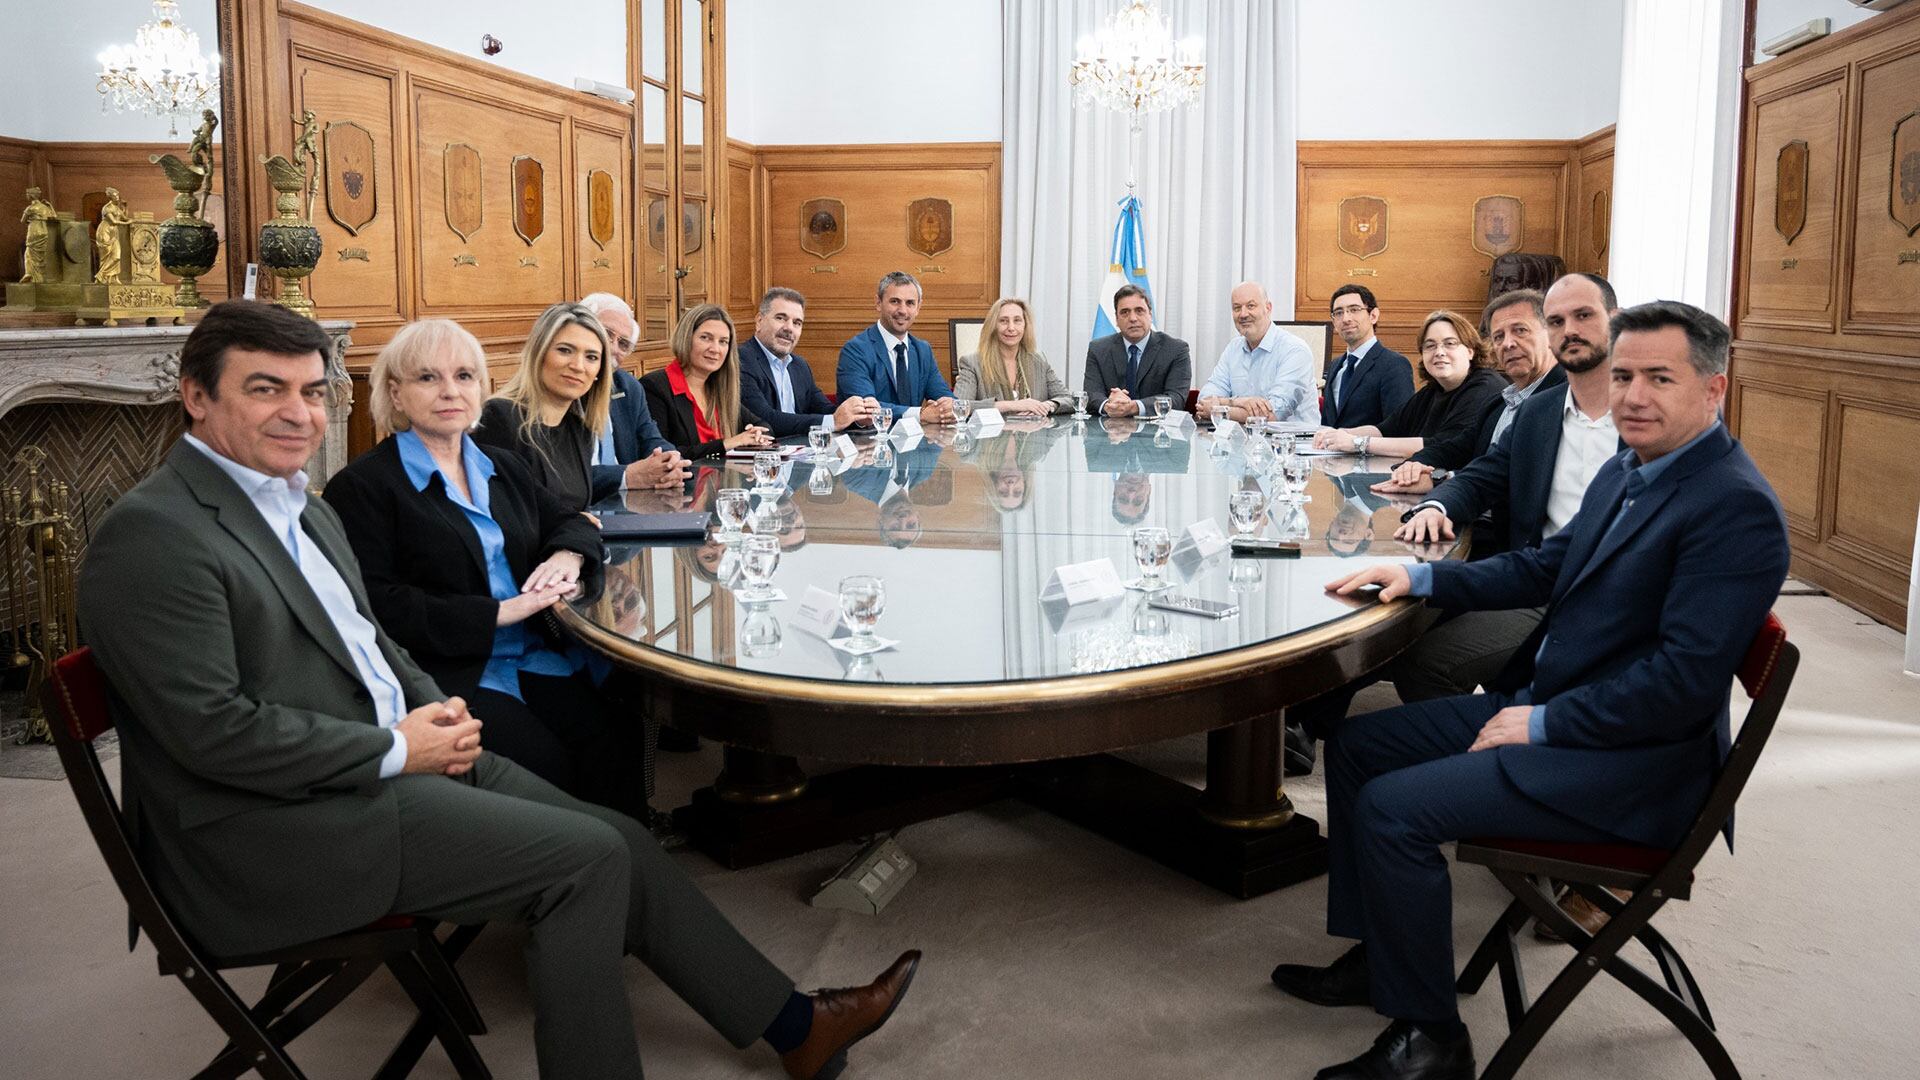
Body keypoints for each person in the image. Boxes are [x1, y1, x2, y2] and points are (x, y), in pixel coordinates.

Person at [76, 299, 923, 1080]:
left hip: (389, 753)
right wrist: (397, 745)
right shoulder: (154, 537)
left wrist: (425, 705)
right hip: (277, 827)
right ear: (194, 395)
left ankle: (795, 1027)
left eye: (308, 389)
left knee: (618, 838)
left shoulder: (295, 503)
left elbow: (370, 639)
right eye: (266, 390)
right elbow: (214, 735)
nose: (298, 413)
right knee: (586, 864)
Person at [1269, 300, 1789, 1080]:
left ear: (1713, 391)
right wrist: (1416, 575)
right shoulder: (1632, 465)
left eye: (1659, 378)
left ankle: (1432, 1041)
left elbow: (1679, 686)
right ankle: (1384, 959)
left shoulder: (1735, 507)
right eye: (1623, 377)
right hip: (1568, 708)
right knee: (1357, 745)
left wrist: (1544, 724)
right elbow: (1546, 566)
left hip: (1633, 764)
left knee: (1393, 809)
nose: (1634, 396)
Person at [1283, 278, 1623, 779]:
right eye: (1554, 322)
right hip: (1527, 566)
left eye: (1524, 330)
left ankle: (1479, 776)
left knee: (1415, 642)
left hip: (1564, 590)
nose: (1509, 343)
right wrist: (1439, 503)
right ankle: (1305, 718)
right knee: (1383, 595)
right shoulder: (1536, 406)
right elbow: (1484, 466)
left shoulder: (1631, 414)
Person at [322, 319, 635, 812]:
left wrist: (565, 555)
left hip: (535, 651)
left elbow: (571, 522)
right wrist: (499, 613)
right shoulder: (363, 486)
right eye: (428, 378)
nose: (450, 391)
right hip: (452, 670)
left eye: (465, 376)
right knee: (547, 768)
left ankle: (626, 871)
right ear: (395, 394)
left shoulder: (502, 466)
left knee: (616, 739)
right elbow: (378, 604)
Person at [1398, 289, 1566, 479]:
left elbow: (1514, 477)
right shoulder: (1499, 403)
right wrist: (1412, 465)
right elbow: (1455, 448)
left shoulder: (1566, 397)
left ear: (1552, 335)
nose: (1508, 344)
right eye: (1498, 337)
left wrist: (1438, 480)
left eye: (1520, 330)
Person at [473, 302, 617, 511]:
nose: (578, 366)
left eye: (591, 357)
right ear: (539, 354)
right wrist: (572, 527)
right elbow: (503, 516)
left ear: (599, 372)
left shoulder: (579, 429)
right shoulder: (499, 417)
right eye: (565, 350)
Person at [1311, 310, 1504, 462]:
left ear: (1470, 351)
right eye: (1430, 346)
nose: (1439, 352)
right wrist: (1339, 434)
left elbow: (1441, 447)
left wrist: (1358, 443)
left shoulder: (1484, 387)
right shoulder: (1433, 390)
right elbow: (1387, 428)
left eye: (1450, 344)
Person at [577, 292, 692, 500]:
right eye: (606, 333)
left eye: (623, 344)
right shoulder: (564, 389)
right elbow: (562, 477)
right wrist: (627, 476)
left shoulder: (628, 386)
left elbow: (651, 439)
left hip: (628, 506)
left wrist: (670, 461)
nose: (613, 348)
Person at [640, 304, 775, 460]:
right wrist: (726, 444)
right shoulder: (655, 387)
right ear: (686, 338)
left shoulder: (718, 388)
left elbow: (764, 426)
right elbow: (662, 455)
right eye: (706, 338)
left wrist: (756, 434)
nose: (715, 349)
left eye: (723, 341)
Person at [738, 286, 879, 436]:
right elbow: (764, 419)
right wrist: (832, 422)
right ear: (759, 321)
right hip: (760, 456)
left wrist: (857, 417)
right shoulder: (741, 359)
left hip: (799, 453)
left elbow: (823, 409)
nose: (789, 328)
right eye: (781, 318)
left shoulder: (800, 365)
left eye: (797, 323)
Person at [836, 271, 958, 423]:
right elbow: (865, 410)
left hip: (915, 443)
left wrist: (947, 407)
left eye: (910, 303)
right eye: (895, 301)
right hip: (867, 442)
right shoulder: (855, 350)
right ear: (878, 303)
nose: (902, 310)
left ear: (918, 308)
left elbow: (945, 398)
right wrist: (920, 414)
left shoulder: (923, 350)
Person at [1197, 281, 1319, 426]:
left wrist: (1219, 409)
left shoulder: (1295, 350)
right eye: (1237, 308)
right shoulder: (1233, 349)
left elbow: (1273, 414)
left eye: (1251, 306)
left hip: (1292, 444)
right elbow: (1204, 400)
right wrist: (1236, 401)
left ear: (1268, 308)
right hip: (1241, 442)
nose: (1243, 314)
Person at [1082, 284, 1192, 417]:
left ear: (1150, 315)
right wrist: (1109, 406)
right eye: (1125, 312)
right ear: (1116, 319)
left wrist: (1134, 407)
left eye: (1139, 310)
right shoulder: (1098, 349)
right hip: (1110, 432)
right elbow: (1091, 395)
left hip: (1157, 433)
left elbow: (1176, 399)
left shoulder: (1176, 350)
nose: (1133, 318)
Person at [953, 297, 1073, 415]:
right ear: (993, 326)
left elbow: (1068, 399)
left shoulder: (1039, 361)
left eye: (1017, 320)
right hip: (991, 434)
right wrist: (1012, 405)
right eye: (1004, 321)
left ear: (1025, 326)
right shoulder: (972, 363)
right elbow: (958, 406)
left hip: (1034, 433)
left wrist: (1047, 406)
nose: (1011, 328)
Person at [1319, 285, 1415, 431]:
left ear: (1373, 315)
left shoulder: (1394, 365)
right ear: (1333, 322)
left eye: (1354, 310)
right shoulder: (1335, 366)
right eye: (1338, 313)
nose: (1346, 318)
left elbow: (1400, 427)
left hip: (1373, 453)